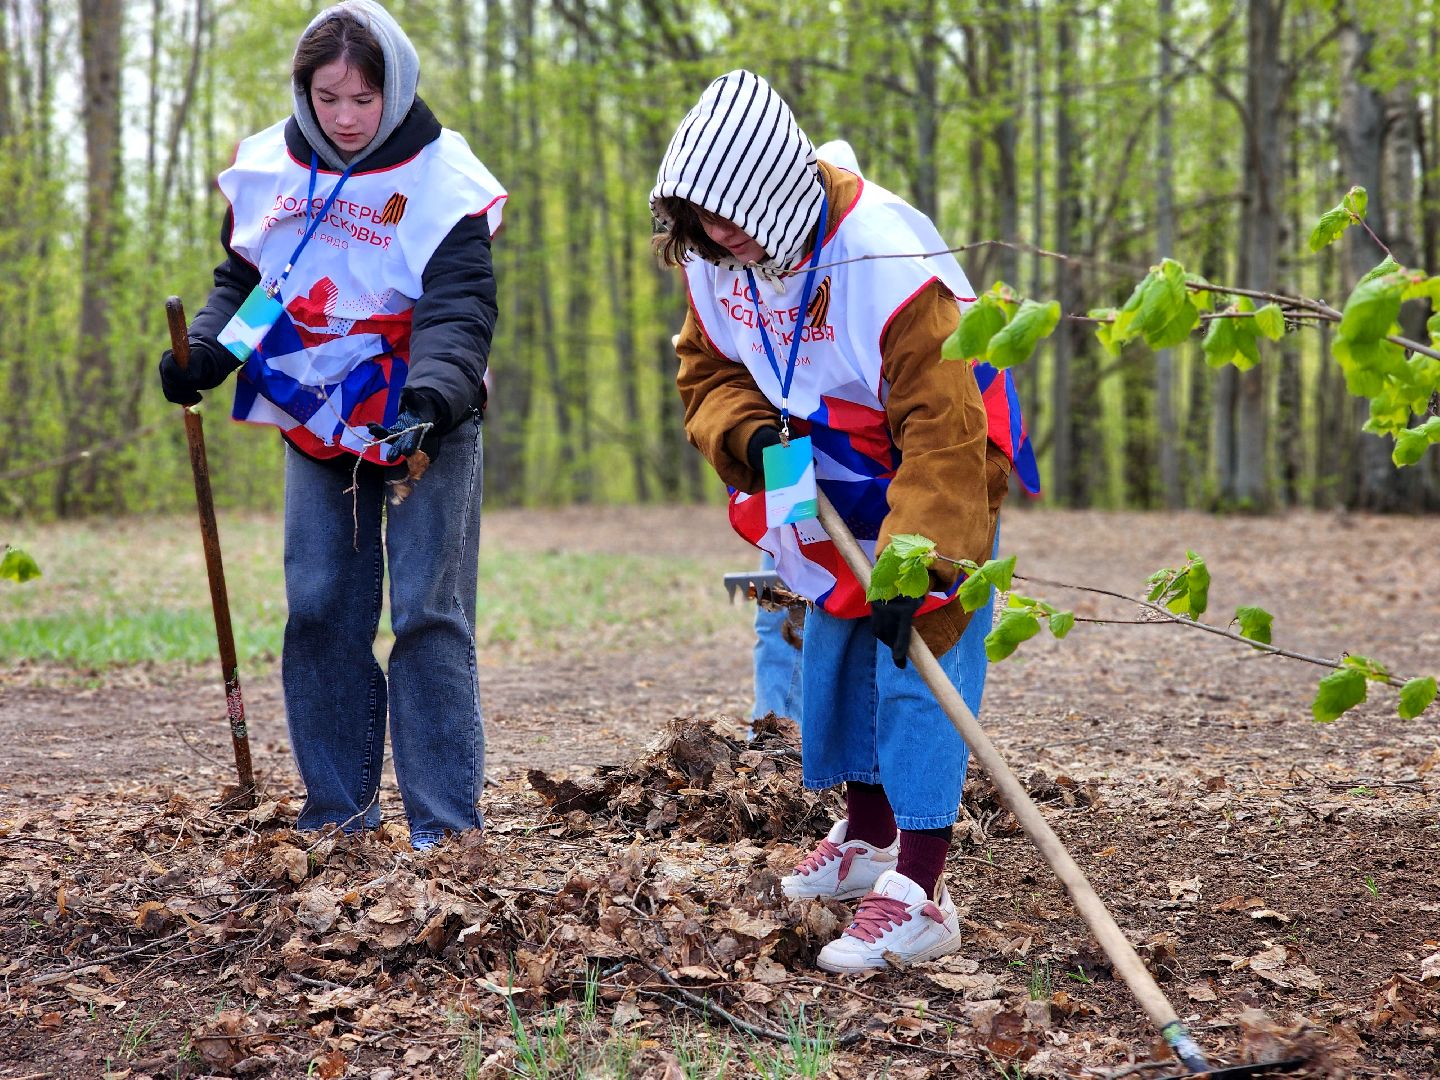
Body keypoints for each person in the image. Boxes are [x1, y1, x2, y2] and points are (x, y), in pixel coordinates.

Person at [652, 70, 1038, 972]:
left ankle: (923, 886)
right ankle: (866, 840)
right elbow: (707, 370)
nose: (719, 237)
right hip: (816, 464)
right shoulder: (719, 257)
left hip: (936, 461)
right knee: (839, 644)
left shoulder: (889, 262)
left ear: (776, 190)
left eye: (733, 216)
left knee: (919, 652)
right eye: (701, 221)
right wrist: (744, 430)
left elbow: (944, 429)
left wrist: (922, 560)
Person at [157, 0, 505, 850]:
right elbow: (245, 282)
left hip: (425, 420)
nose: (345, 118)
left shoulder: (444, 180)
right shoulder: (269, 170)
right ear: (304, 93)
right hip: (312, 414)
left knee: (428, 614)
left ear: (396, 90)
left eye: (363, 99)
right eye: (327, 98)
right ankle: (339, 817)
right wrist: (204, 355)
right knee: (319, 611)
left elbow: (459, 311)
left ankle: (445, 832)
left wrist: (428, 401)